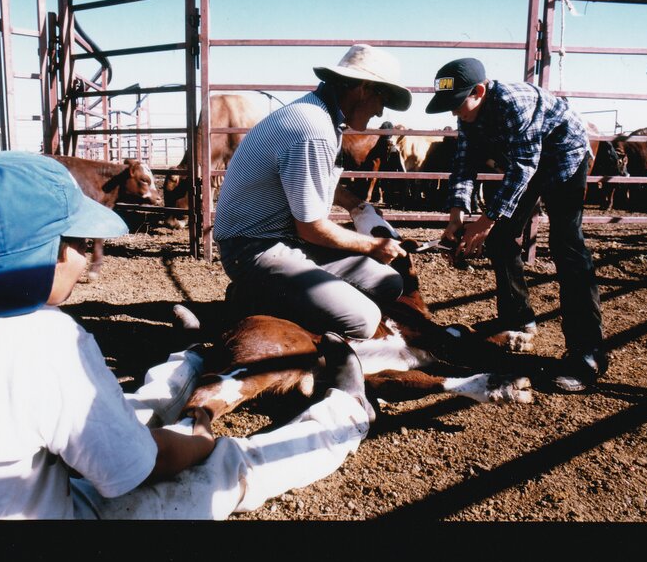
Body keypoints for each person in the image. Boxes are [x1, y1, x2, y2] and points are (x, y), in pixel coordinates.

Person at [0, 151, 373, 520]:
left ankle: (183, 360)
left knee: (98, 421)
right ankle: (345, 413)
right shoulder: (47, 339)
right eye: (81, 243)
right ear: (42, 257)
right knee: (223, 469)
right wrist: (201, 435)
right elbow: (143, 468)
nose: (87, 260)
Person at [425, 58, 607, 392]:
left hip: (563, 157)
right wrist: (456, 214)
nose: (454, 114)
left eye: (457, 104)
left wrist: (485, 220)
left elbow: (524, 167)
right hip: (525, 164)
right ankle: (517, 319)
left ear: (479, 91)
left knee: (566, 245)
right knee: (501, 238)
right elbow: (464, 162)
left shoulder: (513, 103)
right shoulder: (469, 114)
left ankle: (588, 353)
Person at [213, 44, 411, 340]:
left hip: (282, 238)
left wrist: (356, 205)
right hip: (252, 248)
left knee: (388, 284)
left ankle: (269, 295)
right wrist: (373, 246)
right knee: (362, 320)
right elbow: (311, 228)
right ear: (365, 89)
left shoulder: (319, 116)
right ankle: (250, 297)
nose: (381, 110)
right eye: (382, 98)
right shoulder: (314, 129)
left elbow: (309, 181)